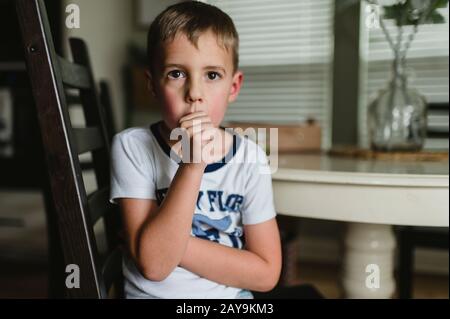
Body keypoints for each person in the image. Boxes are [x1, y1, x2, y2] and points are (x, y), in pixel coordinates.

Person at [110, 1, 281, 299]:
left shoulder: (250, 159)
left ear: (234, 86)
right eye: (176, 74)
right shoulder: (132, 147)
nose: (195, 94)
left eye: (212, 75)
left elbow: (266, 274)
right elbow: (154, 265)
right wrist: (192, 165)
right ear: (152, 85)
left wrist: (168, 243)